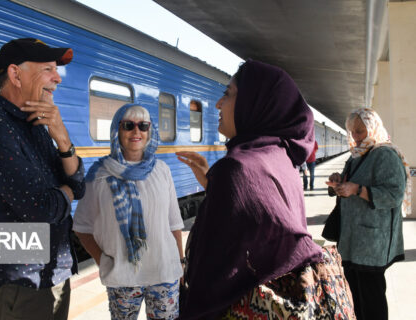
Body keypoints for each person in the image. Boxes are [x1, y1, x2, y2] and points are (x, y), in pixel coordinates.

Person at [176, 60, 355, 319]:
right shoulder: (282, 159)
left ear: (254, 102)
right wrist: (214, 185)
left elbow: (212, 274)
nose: (218, 104)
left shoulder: (237, 167)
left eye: (227, 93)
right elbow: (260, 225)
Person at [0, 38, 85, 319]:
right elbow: (41, 207)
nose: (57, 78)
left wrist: (62, 137)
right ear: (15, 75)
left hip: (53, 269)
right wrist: (65, 191)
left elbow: (79, 185)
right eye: (47, 69)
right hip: (21, 277)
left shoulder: (36, 123)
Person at [73, 104, 184, 320]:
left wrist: (180, 261)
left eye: (143, 126)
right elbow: (82, 226)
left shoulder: (162, 170)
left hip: (164, 271)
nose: (137, 132)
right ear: (117, 131)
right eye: (128, 125)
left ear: (150, 132)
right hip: (122, 277)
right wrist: (103, 261)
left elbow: (174, 222)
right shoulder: (100, 175)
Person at [327, 108, 409, 320]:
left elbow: (394, 194)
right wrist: (339, 182)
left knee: (371, 298)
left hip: (372, 243)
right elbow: (350, 183)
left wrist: (358, 190)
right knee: (354, 295)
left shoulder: (385, 154)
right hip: (353, 239)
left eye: (360, 131)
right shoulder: (356, 156)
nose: (355, 136)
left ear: (373, 128)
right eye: (352, 131)